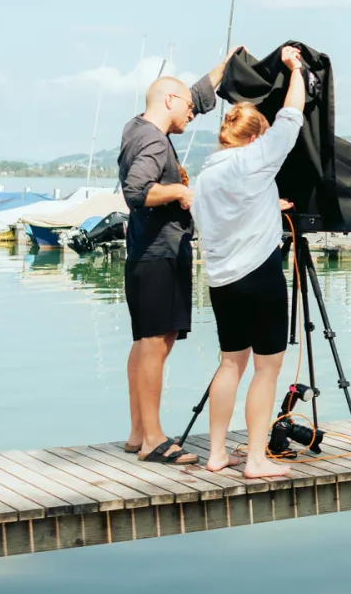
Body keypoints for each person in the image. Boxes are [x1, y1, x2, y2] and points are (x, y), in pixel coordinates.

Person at [117, 47, 240, 465]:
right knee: (155, 343)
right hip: (160, 254)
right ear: (169, 102)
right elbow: (137, 192)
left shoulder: (138, 128)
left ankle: (137, 432)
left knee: (147, 341)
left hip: (143, 253)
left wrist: (223, 68)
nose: (193, 112)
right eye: (187, 106)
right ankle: (153, 439)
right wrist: (183, 191)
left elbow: (194, 97)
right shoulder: (153, 141)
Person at [191, 44, 306, 479]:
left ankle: (217, 453)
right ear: (255, 136)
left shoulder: (206, 177)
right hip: (259, 276)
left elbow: (218, 219)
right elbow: (291, 117)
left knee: (230, 363)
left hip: (221, 281)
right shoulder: (255, 158)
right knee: (267, 367)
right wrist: (295, 71)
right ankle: (256, 460)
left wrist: (266, 205)